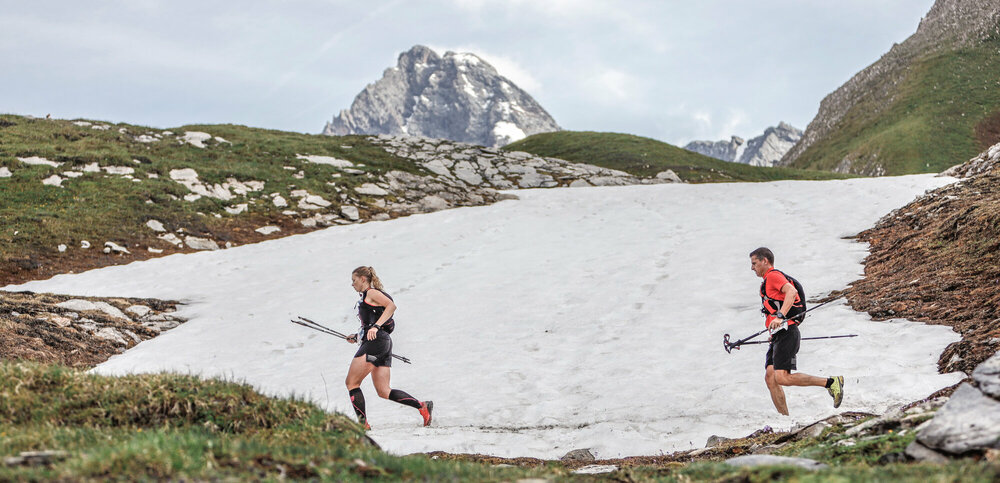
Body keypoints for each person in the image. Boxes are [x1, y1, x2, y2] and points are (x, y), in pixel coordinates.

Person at [749, 247, 844, 415]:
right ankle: (785, 420)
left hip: (788, 332)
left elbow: (791, 292)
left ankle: (831, 382)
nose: (752, 268)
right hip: (781, 334)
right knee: (770, 377)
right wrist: (774, 331)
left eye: (754, 263)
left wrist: (780, 316)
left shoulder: (773, 276)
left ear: (765, 261)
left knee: (782, 378)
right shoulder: (767, 282)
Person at [344, 266, 432, 429]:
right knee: (384, 391)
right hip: (382, 342)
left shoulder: (371, 292)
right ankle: (422, 406)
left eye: (354, 280)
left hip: (376, 341)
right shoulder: (368, 296)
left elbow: (391, 306)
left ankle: (363, 425)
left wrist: (375, 327)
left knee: (352, 383)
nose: (352, 284)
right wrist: (357, 336)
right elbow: (371, 322)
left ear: (363, 279)